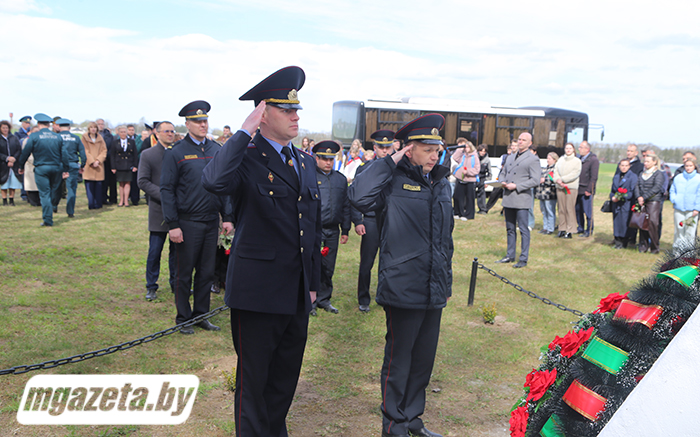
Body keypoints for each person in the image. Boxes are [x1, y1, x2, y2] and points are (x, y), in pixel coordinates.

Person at [201, 66, 321, 436]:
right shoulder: (246, 157)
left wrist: (313, 284)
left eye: (296, 109)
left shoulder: (304, 161)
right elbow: (213, 181)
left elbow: (310, 227)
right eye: (286, 110)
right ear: (263, 114)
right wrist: (243, 132)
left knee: (284, 379)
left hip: (296, 290)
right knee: (253, 385)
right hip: (257, 291)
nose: (295, 116)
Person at [349, 113, 452, 437]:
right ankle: (393, 425)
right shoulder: (391, 179)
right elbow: (358, 196)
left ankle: (413, 420)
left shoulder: (441, 181)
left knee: (423, 361)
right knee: (399, 361)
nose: (435, 155)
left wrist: (446, 280)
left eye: (437, 149)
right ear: (409, 149)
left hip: (434, 285)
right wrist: (390, 161)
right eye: (427, 149)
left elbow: (445, 237)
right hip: (403, 283)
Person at [161, 100, 233, 333]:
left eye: (205, 121)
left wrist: (227, 216)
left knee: (206, 272)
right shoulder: (176, 152)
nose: (203, 125)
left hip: (211, 221)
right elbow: (167, 190)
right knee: (184, 273)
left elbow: (224, 185)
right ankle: (183, 318)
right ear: (188, 124)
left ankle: (201, 315)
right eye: (198, 121)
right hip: (187, 222)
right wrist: (173, 224)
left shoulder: (216, 150)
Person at [352, 129, 395, 313]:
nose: (385, 151)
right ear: (375, 147)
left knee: (389, 261)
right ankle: (363, 298)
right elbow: (354, 196)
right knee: (367, 262)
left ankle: (384, 296)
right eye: (381, 147)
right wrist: (357, 221)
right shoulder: (364, 168)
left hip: (391, 220)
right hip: (370, 219)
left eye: (388, 147)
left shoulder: (399, 169)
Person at [138, 121, 176, 301]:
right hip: (158, 209)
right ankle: (151, 285)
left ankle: (176, 283)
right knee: (155, 251)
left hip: (178, 210)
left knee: (177, 252)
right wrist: (164, 195)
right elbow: (142, 181)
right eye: (166, 131)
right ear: (157, 133)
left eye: (172, 131)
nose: (170, 134)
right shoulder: (148, 154)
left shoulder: (178, 152)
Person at [313, 140, 351, 315]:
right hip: (314, 229)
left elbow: (345, 205)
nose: (328, 162)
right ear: (317, 158)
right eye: (324, 159)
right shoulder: (310, 177)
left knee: (328, 266)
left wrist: (345, 229)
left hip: (332, 230)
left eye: (331, 159)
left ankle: (324, 299)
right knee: (313, 265)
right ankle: (310, 301)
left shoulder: (340, 179)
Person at [495, 132, 540, 268]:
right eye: (519, 139)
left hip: (521, 198)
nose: (520, 142)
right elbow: (503, 173)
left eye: (523, 140)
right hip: (509, 197)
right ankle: (510, 255)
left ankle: (523, 258)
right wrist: (502, 181)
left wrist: (517, 186)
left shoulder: (533, 159)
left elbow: (535, 180)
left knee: (523, 229)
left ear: (530, 143)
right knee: (510, 228)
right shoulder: (510, 157)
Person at [18, 113, 68, 226]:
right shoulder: (57, 137)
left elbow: (26, 152)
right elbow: (64, 154)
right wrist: (65, 169)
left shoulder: (34, 136)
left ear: (38, 124)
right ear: (49, 125)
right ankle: (53, 205)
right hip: (56, 167)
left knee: (44, 194)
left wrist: (21, 166)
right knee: (55, 190)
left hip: (41, 168)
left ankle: (48, 219)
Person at [634, 154, 665, 254]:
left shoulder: (658, 174)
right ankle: (643, 246)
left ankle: (654, 247)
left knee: (652, 223)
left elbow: (656, 188)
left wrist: (644, 197)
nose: (645, 163)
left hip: (653, 202)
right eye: (645, 161)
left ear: (654, 162)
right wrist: (639, 197)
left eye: (648, 161)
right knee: (643, 223)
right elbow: (637, 185)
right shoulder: (642, 173)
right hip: (642, 201)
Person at [56, 119, 86, 217]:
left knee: (56, 186)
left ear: (59, 127)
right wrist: (82, 165)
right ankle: (70, 211)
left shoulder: (56, 137)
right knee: (71, 189)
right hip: (72, 164)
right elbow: (82, 153)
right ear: (69, 128)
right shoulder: (76, 138)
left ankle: (54, 205)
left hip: (58, 164)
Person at [669, 159, 700, 250]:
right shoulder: (678, 177)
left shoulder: (698, 178)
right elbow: (672, 189)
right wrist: (674, 199)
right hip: (679, 208)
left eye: (690, 166)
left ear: (694, 166)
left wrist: (697, 208)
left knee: (690, 232)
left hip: (692, 210)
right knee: (679, 230)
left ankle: (688, 253)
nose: (688, 168)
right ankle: (677, 252)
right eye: (687, 166)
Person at [553, 143, 581, 239]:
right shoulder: (561, 160)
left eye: (570, 148)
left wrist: (563, 179)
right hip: (560, 187)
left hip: (570, 187)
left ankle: (570, 230)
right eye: (566, 148)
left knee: (569, 208)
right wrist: (557, 180)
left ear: (573, 150)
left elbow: (575, 173)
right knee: (561, 208)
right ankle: (562, 228)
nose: (568, 150)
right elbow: (555, 171)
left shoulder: (577, 161)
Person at [610, 159, 638, 249]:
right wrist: (613, 197)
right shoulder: (616, 176)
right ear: (619, 166)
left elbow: (632, 191)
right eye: (622, 165)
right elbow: (612, 190)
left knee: (624, 223)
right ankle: (617, 241)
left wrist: (621, 196)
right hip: (616, 204)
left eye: (626, 165)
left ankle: (624, 242)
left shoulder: (633, 176)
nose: (624, 167)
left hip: (626, 203)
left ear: (629, 166)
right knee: (616, 222)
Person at [485, 141, 518, 213]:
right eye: (512, 146)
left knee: (508, 195)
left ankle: (504, 211)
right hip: (502, 177)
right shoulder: (505, 156)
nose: (513, 147)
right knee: (495, 193)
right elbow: (499, 165)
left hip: (511, 178)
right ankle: (486, 208)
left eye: (515, 146)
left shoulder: (519, 157)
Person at [451, 139, 480, 221]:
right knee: (458, 196)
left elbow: (477, 170)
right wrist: (460, 149)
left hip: (470, 180)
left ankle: (469, 215)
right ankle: (458, 212)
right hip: (460, 178)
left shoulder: (475, 156)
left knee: (469, 198)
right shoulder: (463, 155)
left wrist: (468, 172)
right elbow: (454, 157)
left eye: (467, 147)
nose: (466, 149)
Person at [81, 121, 107, 210]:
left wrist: (98, 160)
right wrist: (92, 161)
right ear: (88, 129)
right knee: (90, 185)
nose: (93, 129)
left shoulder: (100, 138)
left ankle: (98, 203)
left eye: (95, 127)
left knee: (99, 186)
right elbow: (85, 150)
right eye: (91, 127)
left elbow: (104, 150)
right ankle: (91, 203)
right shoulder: (84, 137)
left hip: (99, 165)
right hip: (89, 165)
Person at [575, 141, 599, 237]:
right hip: (578, 189)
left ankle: (589, 230)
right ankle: (580, 227)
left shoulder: (593, 160)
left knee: (587, 211)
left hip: (586, 190)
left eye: (581, 147)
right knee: (578, 210)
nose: (579, 149)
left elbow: (594, 177)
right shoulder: (579, 159)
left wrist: (589, 190)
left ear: (587, 149)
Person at [110, 126, 137, 207]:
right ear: (118, 133)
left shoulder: (131, 142)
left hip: (129, 165)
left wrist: (135, 166)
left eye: (124, 132)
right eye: (121, 132)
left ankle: (126, 201)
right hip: (119, 165)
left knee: (128, 183)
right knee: (121, 183)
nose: (123, 133)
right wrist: (113, 167)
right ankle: (121, 200)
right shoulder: (115, 142)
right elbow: (112, 155)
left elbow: (135, 155)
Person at [1, 120, 22, 206]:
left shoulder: (14, 138)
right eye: (3, 128)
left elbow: (18, 150)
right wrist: (7, 158)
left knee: (13, 182)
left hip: (14, 164)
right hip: (2, 165)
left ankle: (11, 199)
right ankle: (4, 200)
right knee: (4, 183)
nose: (5, 129)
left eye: (6, 128)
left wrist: (13, 159)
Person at [536, 152, 558, 235]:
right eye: (547, 158)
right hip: (542, 193)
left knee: (550, 211)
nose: (547, 160)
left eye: (549, 158)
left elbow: (554, 180)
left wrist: (545, 180)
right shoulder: (545, 168)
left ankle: (550, 228)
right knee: (544, 211)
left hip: (550, 193)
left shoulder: (555, 169)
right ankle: (545, 227)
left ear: (554, 160)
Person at [20, 125, 41, 206]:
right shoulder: (27, 140)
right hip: (30, 164)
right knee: (31, 185)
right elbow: (26, 153)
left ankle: (39, 201)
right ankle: (32, 201)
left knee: (39, 185)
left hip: (40, 164)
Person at [97, 118, 116, 205]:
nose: (101, 126)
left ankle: (105, 198)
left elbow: (111, 148)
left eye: (102, 124)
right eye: (99, 124)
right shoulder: (93, 135)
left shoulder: (109, 136)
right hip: (96, 160)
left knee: (107, 180)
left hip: (107, 160)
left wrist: (105, 156)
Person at [127, 124, 143, 206]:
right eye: (129, 130)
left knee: (135, 182)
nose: (131, 131)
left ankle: (135, 199)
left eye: (132, 130)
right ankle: (127, 197)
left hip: (136, 162)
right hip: (126, 163)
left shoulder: (138, 139)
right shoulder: (122, 139)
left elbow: (138, 150)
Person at [475, 144, 492, 214]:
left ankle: (482, 209)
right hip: (474, 177)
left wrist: (487, 181)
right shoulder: (474, 157)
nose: (482, 153)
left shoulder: (487, 160)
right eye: (481, 151)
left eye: (484, 151)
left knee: (481, 194)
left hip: (482, 178)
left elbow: (489, 172)